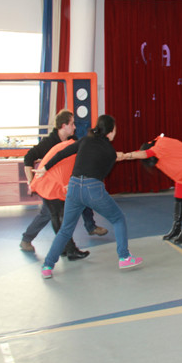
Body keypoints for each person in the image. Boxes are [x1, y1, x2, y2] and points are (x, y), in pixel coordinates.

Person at [36, 115, 142, 279]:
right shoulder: (109, 151)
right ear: (110, 131)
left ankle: (47, 266)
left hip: (73, 186)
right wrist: (117, 157)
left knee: (65, 229)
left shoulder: (85, 140)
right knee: (118, 218)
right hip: (93, 188)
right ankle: (124, 257)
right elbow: (101, 174)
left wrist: (45, 168)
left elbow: (63, 153)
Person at [20, 109, 107, 252]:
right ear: (63, 125)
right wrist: (30, 181)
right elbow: (28, 157)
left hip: (62, 185)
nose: (75, 127)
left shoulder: (72, 140)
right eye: (72, 124)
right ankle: (28, 240)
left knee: (81, 199)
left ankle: (89, 228)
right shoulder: (49, 143)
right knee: (47, 214)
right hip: (48, 186)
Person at [124, 134, 182, 244]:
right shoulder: (156, 144)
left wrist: (125, 155)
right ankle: (176, 228)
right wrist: (125, 155)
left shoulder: (160, 146)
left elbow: (145, 154)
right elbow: (141, 153)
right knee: (178, 197)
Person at [29, 139, 89, 261]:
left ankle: (64, 248)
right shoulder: (78, 151)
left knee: (57, 216)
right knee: (60, 216)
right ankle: (71, 250)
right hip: (51, 184)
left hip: (46, 182)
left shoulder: (70, 145)